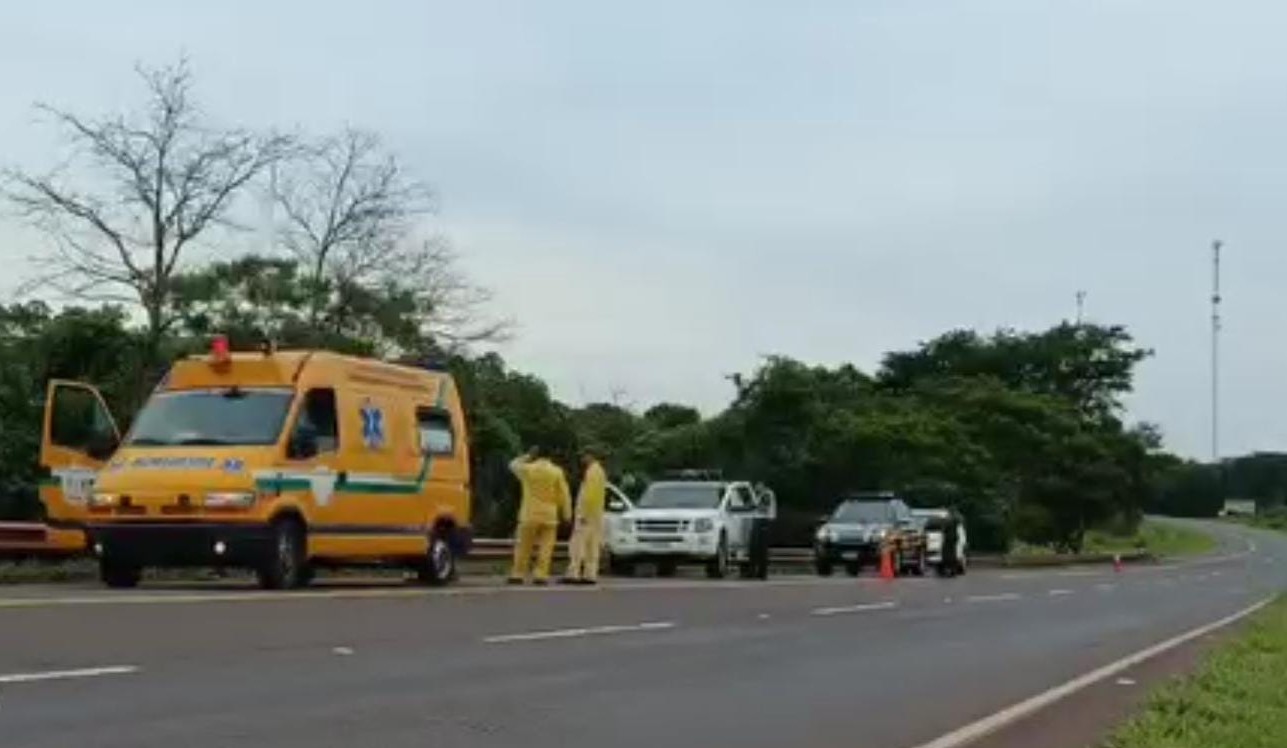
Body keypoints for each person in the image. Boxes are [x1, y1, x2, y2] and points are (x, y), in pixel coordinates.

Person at [508, 447, 572, 585]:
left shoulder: (528, 469)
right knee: (546, 547)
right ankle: (541, 575)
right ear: (550, 457)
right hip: (550, 515)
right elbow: (564, 495)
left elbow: (512, 465)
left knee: (523, 546)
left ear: (536, 456)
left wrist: (527, 455)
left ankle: (517, 574)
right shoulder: (556, 472)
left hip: (529, 514)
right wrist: (567, 515)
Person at [562, 448, 607, 585]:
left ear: (590, 456)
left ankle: (573, 574)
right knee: (592, 546)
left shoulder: (592, 471)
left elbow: (589, 496)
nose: (582, 459)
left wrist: (584, 514)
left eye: (583, 456)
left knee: (578, 544)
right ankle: (590, 574)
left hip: (586, 514)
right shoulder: (600, 471)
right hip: (596, 514)